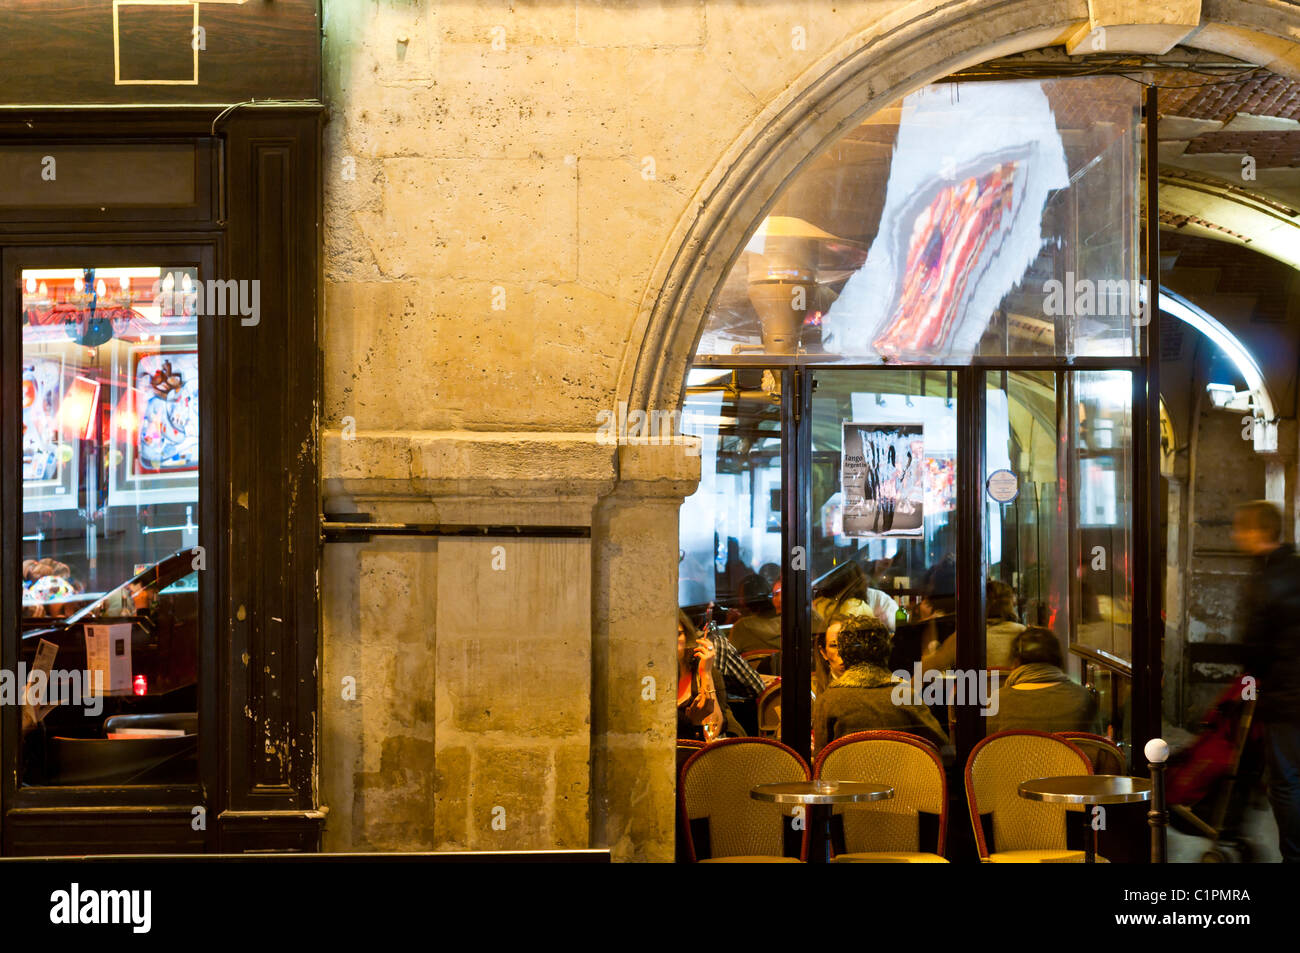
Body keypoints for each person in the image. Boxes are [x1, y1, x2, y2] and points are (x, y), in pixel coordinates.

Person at [1233, 499, 1300, 863]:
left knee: (1287, 781)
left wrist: (1248, 687)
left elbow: (1254, 648)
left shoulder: (1265, 579)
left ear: (1258, 532)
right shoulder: (1295, 567)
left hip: (1286, 698)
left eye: (1241, 529)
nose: (1236, 536)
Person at [812, 615, 948, 752]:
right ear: (887, 648)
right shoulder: (904, 694)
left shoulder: (827, 700)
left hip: (847, 773)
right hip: (900, 773)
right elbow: (941, 745)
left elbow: (821, 760)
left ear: (843, 651)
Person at [986, 627, 1098, 734]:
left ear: (1016, 661)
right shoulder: (1083, 697)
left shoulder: (998, 700)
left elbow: (984, 748)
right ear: (1058, 659)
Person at [728, 573, 781, 653]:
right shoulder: (788, 623)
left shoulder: (742, 627)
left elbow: (727, 657)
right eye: (775, 594)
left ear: (744, 598)